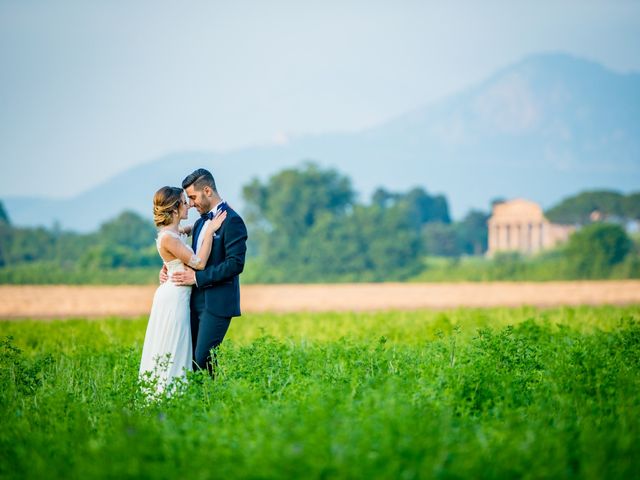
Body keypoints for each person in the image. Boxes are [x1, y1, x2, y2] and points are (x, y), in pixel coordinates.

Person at [140, 186, 227, 395]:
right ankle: (168, 396)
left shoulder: (173, 232)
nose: (188, 204)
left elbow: (184, 235)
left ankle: (178, 395)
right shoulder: (168, 237)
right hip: (174, 298)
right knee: (174, 345)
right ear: (176, 208)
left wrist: (198, 227)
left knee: (179, 346)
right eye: (184, 201)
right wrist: (209, 232)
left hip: (179, 295)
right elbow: (198, 263)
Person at [169, 168, 248, 377]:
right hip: (192, 301)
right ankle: (208, 404)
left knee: (202, 359)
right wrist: (169, 270)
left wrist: (197, 278)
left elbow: (235, 264)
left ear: (207, 191)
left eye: (193, 197)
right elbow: (190, 256)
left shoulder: (233, 221)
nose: (191, 203)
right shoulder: (200, 222)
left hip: (217, 303)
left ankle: (209, 403)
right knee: (191, 361)